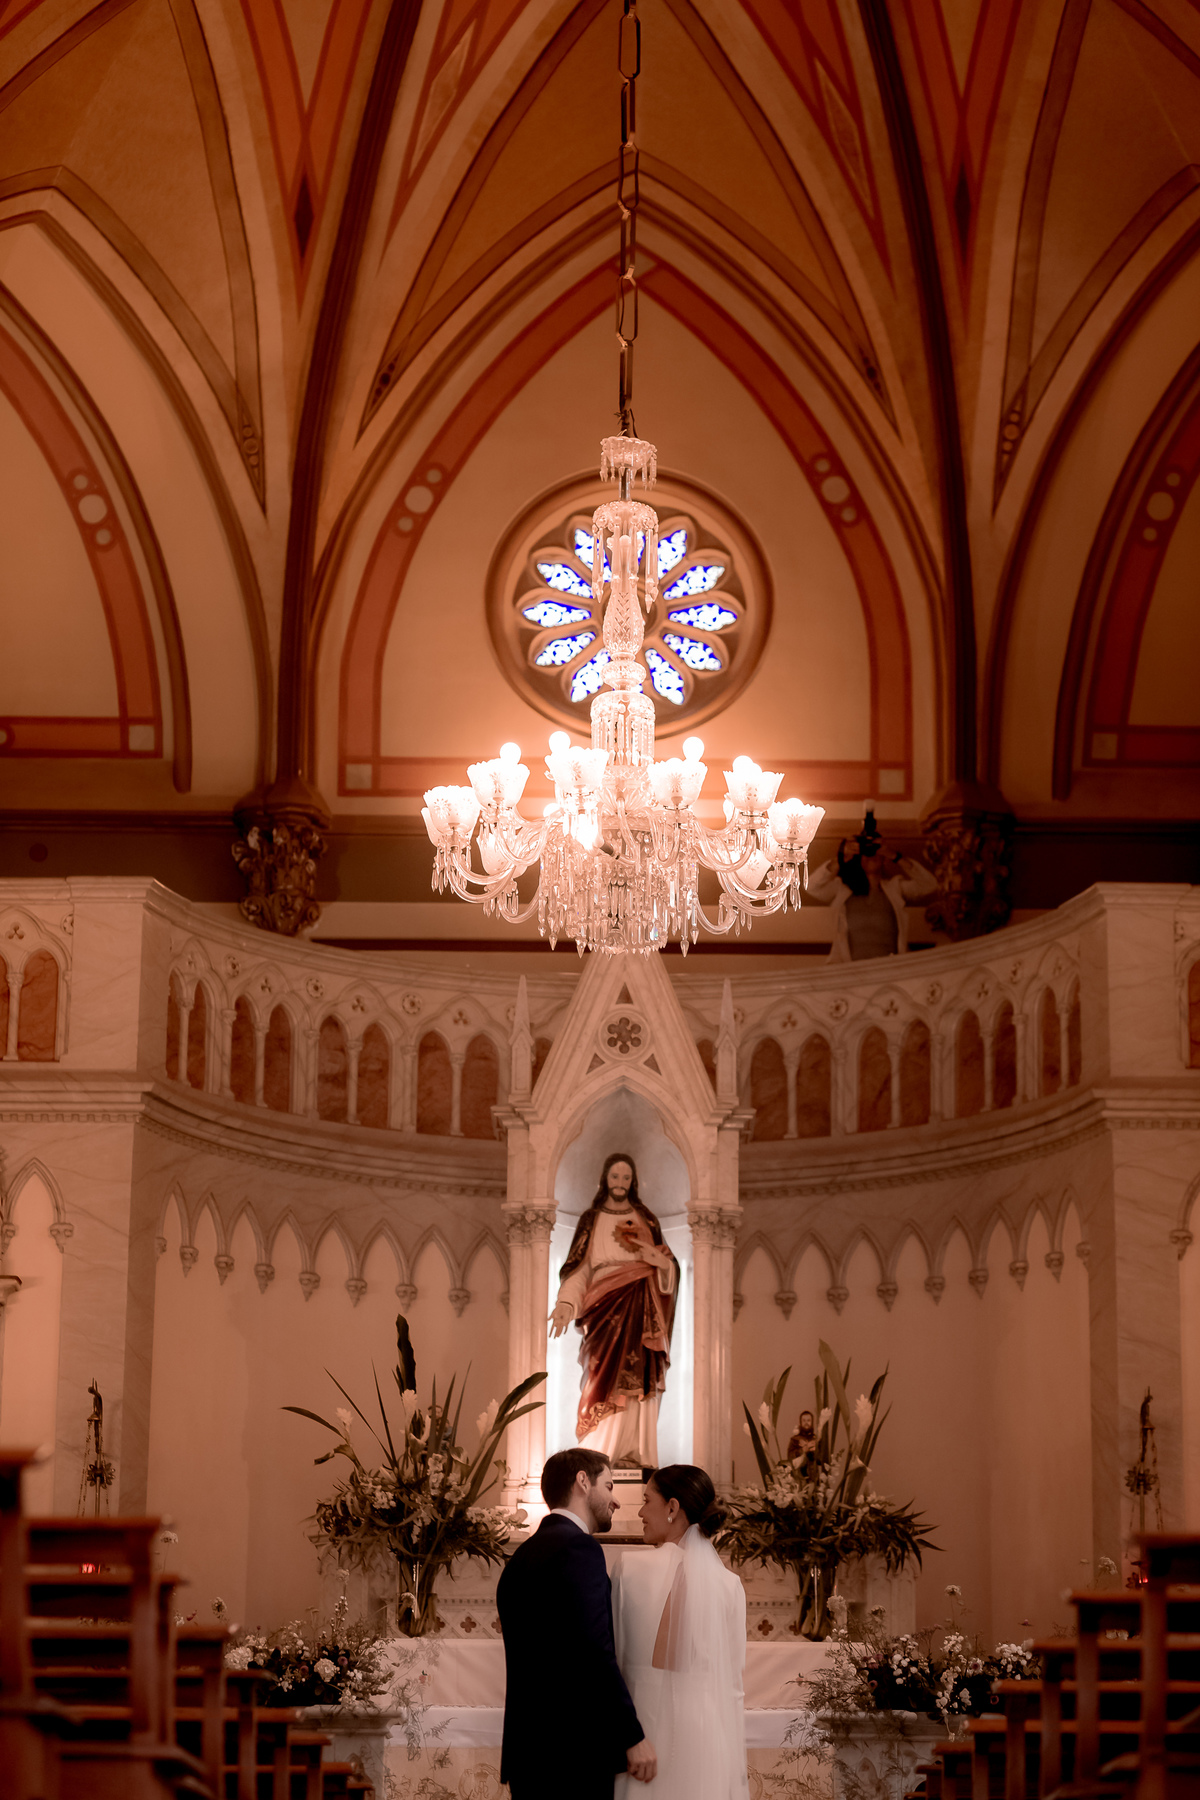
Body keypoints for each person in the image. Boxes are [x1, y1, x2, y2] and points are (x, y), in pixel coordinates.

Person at [497, 1447, 657, 1800]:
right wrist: (632, 1736)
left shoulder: (522, 1556)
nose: (615, 1501)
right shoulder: (578, 1549)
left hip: (529, 1755)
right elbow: (594, 1651)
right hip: (573, 1756)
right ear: (583, 1482)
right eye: (610, 1486)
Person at [611, 1464, 747, 1800]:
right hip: (706, 1738)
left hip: (642, 1738)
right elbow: (732, 1686)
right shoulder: (730, 1586)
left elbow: (610, 1664)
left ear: (672, 1507)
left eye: (646, 1500)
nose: (640, 1512)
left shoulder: (629, 1569)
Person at [550, 1152, 679, 1469]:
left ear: (632, 1182)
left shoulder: (646, 1219)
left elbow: (668, 1270)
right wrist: (566, 1303)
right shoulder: (591, 1220)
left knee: (638, 1377)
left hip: (640, 1303)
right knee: (600, 1376)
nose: (620, 1183)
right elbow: (578, 1270)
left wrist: (657, 1261)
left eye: (626, 1177)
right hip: (603, 1309)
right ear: (604, 1180)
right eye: (615, 1176)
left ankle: (633, 1451)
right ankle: (600, 1449)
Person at [807, 809, 937, 962]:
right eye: (866, 850)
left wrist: (895, 856)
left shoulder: (895, 888)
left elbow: (929, 885)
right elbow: (812, 887)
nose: (871, 855)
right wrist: (842, 858)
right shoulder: (843, 889)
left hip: (891, 968)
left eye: (875, 850)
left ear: (884, 858)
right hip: (849, 969)